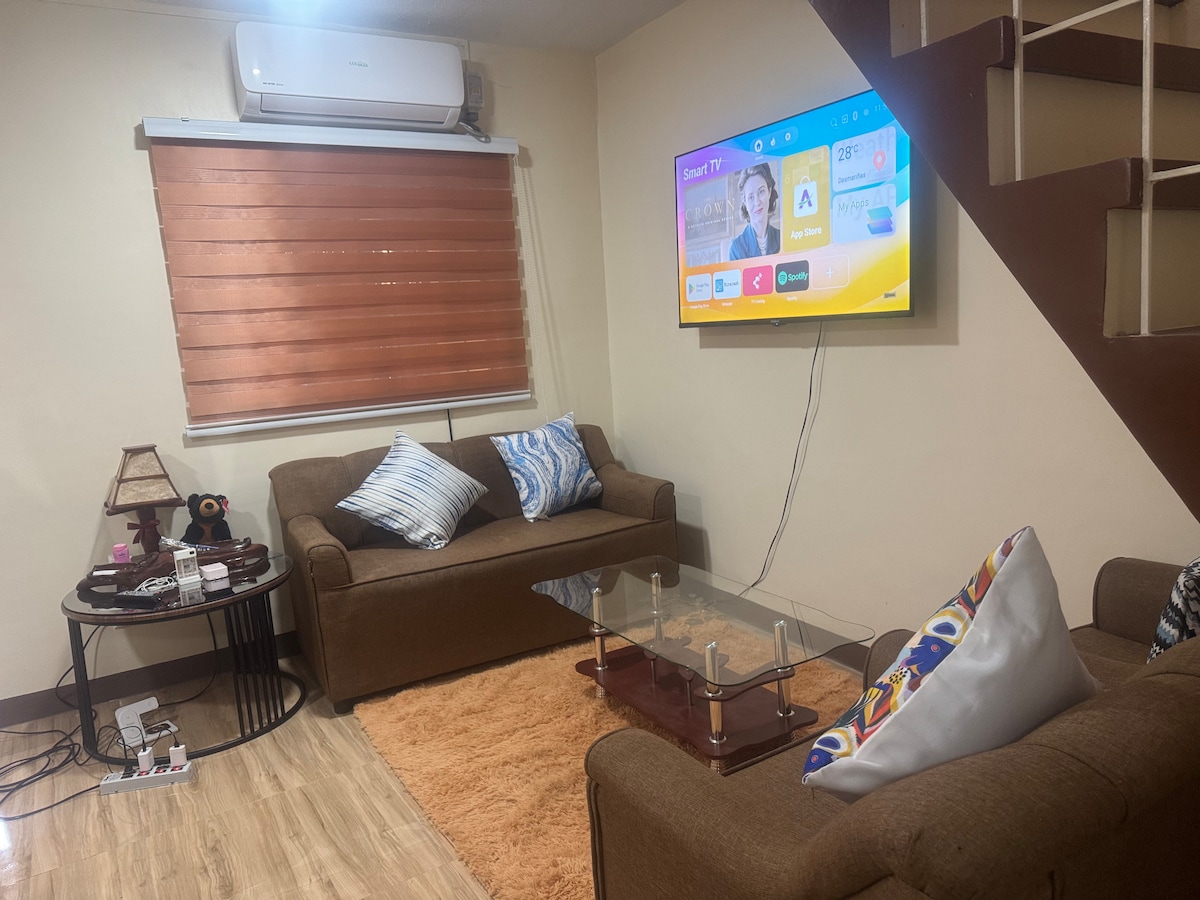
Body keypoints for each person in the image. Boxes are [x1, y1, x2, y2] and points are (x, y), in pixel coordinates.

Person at [728, 163, 781, 261]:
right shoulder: (736, 248)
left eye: (761, 192)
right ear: (745, 202)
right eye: (751, 197)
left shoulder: (782, 238)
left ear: (769, 192)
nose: (757, 202)